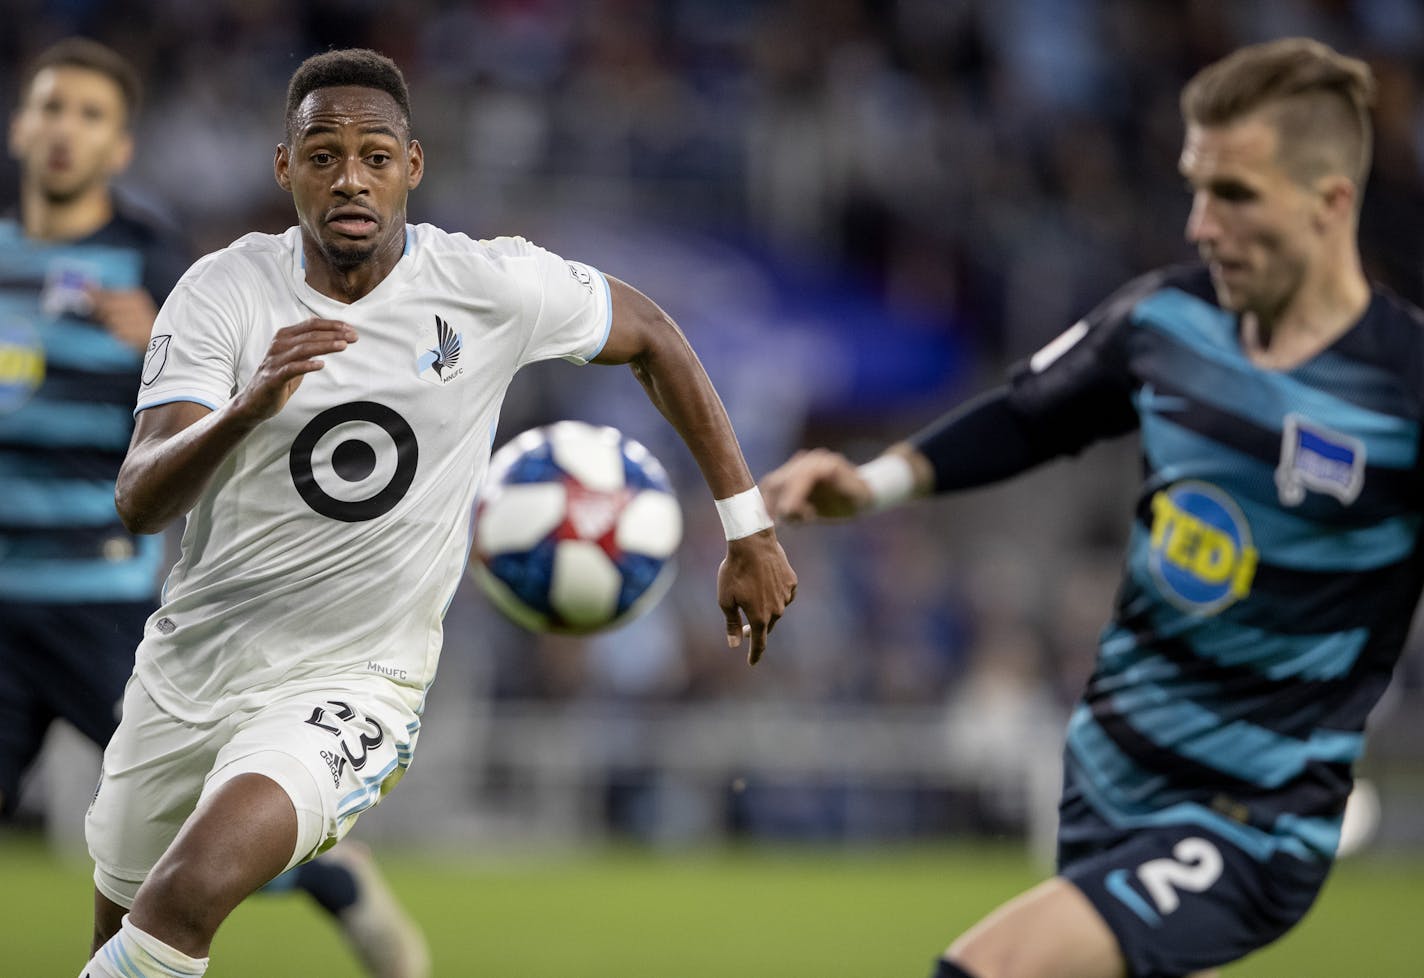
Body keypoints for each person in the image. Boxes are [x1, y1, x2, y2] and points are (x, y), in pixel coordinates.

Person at [76, 46, 796, 977]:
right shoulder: (222, 292)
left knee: (185, 899)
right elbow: (141, 497)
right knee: (116, 941)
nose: (350, 179)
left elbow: (652, 333)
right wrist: (246, 408)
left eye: (376, 156)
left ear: (412, 167)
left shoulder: (487, 285)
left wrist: (749, 527)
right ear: (284, 168)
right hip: (190, 666)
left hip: (352, 681)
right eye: (324, 154)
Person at [763, 37, 1413, 978]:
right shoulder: (1166, 324)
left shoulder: (1403, 392)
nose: (1200, 225)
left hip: (1252, 820)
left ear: (1331, 204)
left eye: (1234, 195)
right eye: (1195, 188)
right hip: (1106, 780)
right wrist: (875, 483)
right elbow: (1029, 415)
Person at [0, 38, 431, 978]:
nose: (65, 131)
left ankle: (331, 879)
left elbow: (193, 414)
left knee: (196, 833)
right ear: (19, 124)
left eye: (91, 115)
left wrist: (154, 337)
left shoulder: (163, 267)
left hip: (98, 596)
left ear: (121, 147)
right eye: (50, 107)